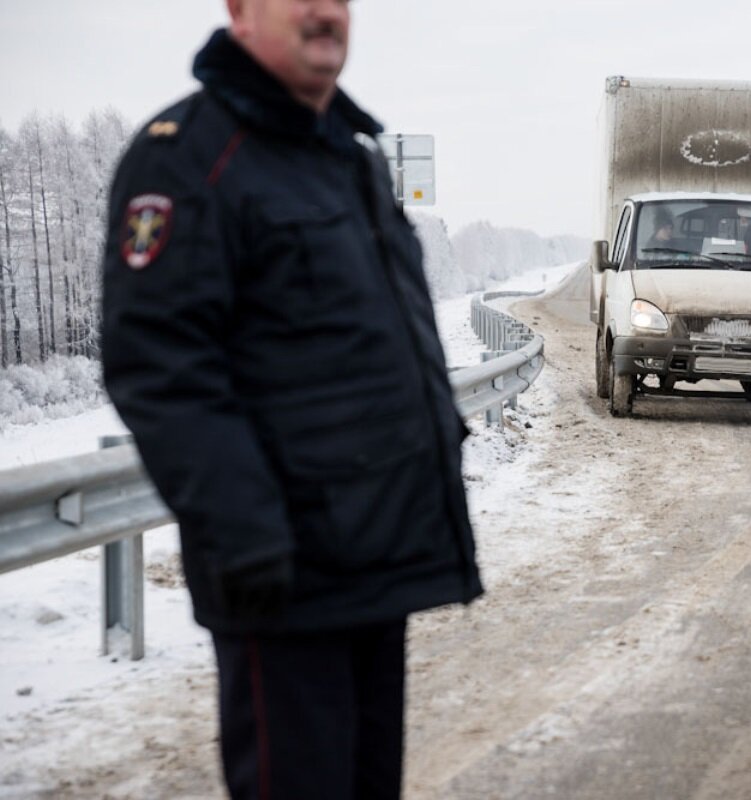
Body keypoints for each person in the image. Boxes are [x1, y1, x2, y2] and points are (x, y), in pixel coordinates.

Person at [100, 1, 482, 797]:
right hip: (282, 580)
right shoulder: (187, 157)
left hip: (376, 558)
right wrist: (246, 537)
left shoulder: (349, 155)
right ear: (240, 10)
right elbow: (161, 367)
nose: (324, 12)